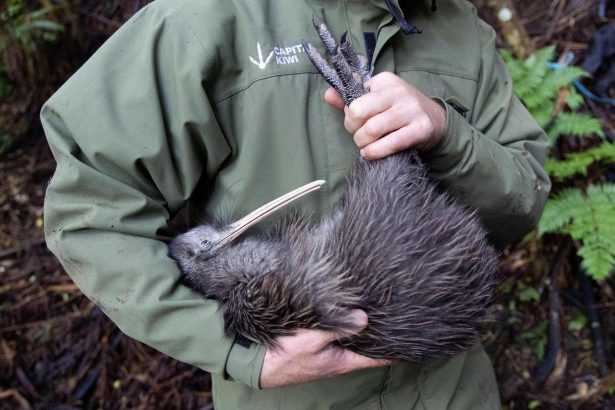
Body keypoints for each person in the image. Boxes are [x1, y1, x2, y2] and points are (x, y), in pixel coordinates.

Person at [41, 0, 550, 408]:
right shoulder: (200, 21)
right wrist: (239, 352)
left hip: (454, 392)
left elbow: (521, 203)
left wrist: (444, 131)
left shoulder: (458, 25)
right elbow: (89, 211)